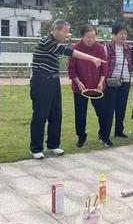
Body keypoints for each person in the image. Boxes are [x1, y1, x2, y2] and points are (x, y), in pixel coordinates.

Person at [30, 19, 103, 159]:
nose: (67, 34)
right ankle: (36, 148)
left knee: (56, 114)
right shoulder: (46, 41)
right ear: (55, 29)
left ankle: (53, 145)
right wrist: (92, 58)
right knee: (40, 114)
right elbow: (69, 52)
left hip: (53, 80)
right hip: (41, 81)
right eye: (65, 31)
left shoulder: (56, 43)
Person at [67, 24, 107, 148]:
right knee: (80, 113)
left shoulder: (99, 48)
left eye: (93, 37)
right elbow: (71, 69)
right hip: (80, 88)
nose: (91, 40)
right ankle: (81, 137)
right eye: (88, 37)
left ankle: (104, 135)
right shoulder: (75, 48)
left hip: (97, 87)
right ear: (82, 36)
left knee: (102, 112)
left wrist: (101, 81)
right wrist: (78, 82)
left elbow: (104, 67)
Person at [101, 23, 133, 147]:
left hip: (125, 80)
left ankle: (119, 131)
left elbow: (131, 63)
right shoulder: (107, 47)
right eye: (121, 33)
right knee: (109, 109)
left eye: (125, 33)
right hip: (111, 81)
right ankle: (105, 135)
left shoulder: (128, 48)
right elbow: (104, 64)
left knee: (121, 108)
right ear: (114, 35)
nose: (123, 36)